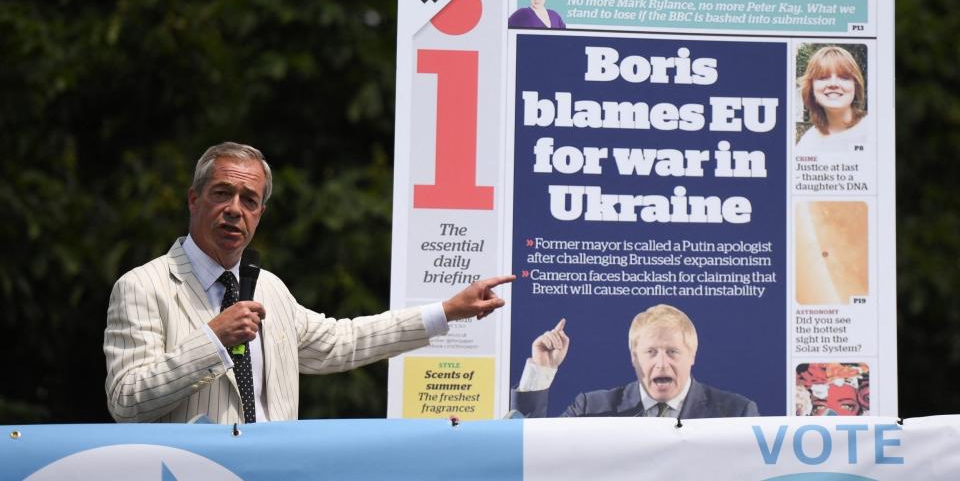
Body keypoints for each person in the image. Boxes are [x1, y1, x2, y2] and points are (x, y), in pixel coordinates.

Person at [104, 142, 513, 424]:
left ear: (260, 213)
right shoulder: (143, 287)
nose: (234, 210)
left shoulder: (269, 288)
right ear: (194, 200)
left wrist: (446, 312)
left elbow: (344, 342)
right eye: (222, 193)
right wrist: (212, 341)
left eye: (249, 200)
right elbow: (125, 401)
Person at [511, 304, 758, 418]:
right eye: (651, 352)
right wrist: (542, 369)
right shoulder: (591, 409)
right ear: (633, 357)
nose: (661, 363)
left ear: (692, 355)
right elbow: (528, 452)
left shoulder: (736, 413)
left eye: (673, 352)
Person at [796, 45, 869, 151]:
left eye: (844, 77)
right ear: (811, 88)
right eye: (823, 77)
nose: (833, 84)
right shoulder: (807, 143)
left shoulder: (875, 129)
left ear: (855, 86)